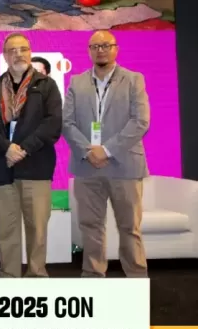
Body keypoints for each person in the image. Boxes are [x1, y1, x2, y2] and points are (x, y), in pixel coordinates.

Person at [63, 30, 150, 278]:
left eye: (106, 45)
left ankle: (136, 280)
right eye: (95, 46)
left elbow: (141, 121)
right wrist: (89, 151)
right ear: (89, 51)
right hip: (86, 166)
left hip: (124, 166)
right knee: (90, 226)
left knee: (129, 227)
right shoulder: (76, 82)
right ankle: (93, 279)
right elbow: (67, 123)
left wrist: (107, 150)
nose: (100, 50)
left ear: (115, 49)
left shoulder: (134, 79)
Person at [0, 32, 62, 278]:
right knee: (7, 230)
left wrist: (23, 149)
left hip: (36, 167)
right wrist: (7, 148)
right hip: (2, 169)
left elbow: (52, 124)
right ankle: (9, 278)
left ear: (30, 52)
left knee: (37, 230)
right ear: (4, 56)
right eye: (12, 50)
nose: (18, 54)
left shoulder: (46, 85)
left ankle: (36, 278)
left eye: (23, 49)